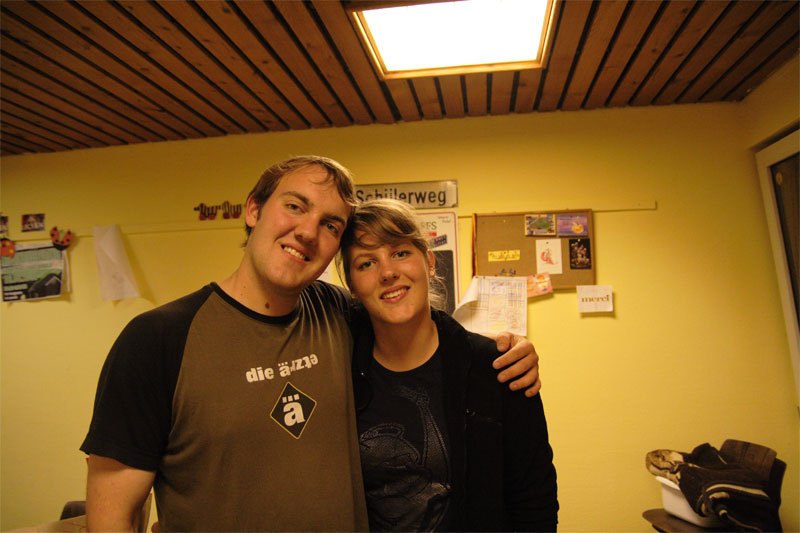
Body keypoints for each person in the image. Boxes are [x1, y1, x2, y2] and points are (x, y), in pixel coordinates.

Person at [80, 155, 542, 531]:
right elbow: (113, 514)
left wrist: (496, 350)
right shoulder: (158, 339)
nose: (307, 232)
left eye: (330, 225)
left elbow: (408, 319)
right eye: (295, 206)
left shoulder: (336, 314)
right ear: (254, 210)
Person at [338, 198, 558, 532]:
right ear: (352, 286)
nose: (388, 272)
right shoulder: (339, 369)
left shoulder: (498, 367)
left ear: (429, 261)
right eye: (366, 263)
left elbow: (534, 499)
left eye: (400, 253)